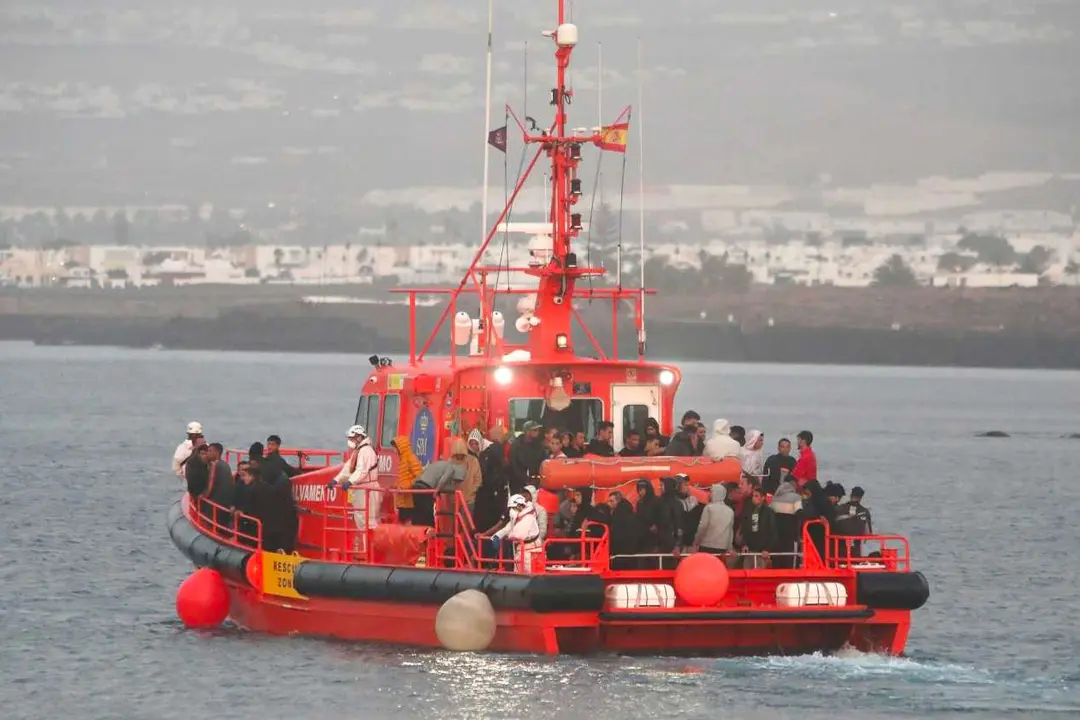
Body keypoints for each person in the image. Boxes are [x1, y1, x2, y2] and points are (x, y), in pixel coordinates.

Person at [328, 425, 381, 554]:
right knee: (361, 519)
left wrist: (351, 481)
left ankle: (371, 550)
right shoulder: (358, 451)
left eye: (352, 437)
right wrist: (337, 480)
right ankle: (366, 549)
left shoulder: (366, 451)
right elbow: (348, 468)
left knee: (369, 520)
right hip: (361, 488)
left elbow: (361, 471)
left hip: (368, 488)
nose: (350, 440)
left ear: (359, 437)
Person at [491, 494, 542, 573]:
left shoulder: (528, 517)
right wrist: (497, 536)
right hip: (522, 549)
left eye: (513, 508)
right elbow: (508, 528)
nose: (511, 510)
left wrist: (508, 537)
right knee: (518, 572)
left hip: (531, 550)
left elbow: (519, 535)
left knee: (530, 573)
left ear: (519, 506)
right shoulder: (518, 517)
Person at [739, 485, 778, 569]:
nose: (754, 498)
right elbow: (745, 529)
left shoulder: (768, 512)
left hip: (762, 551)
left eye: (756, 496)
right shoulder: (748, 510)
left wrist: (767, 549)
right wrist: (744, 544)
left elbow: (772, 531)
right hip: (749, 549)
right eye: (753, 496)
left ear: (763, 497)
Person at [693, 484, 735, 555]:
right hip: (723, 548)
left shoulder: (709, 508)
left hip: (706, 545)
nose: (709, 494)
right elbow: (730, 531)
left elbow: (702, 527)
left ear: (716, 493)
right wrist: (729, 547)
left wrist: (696, 542)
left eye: (711, 492)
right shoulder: (730, 511)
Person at [391, 436, 423, 523]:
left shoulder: (411, 458)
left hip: (409, 499)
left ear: (401, 447)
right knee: (403, 522)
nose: (394, 450)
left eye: (395, 447)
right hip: (403, 499)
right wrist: (395, 485)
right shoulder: (402, 459)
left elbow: (419, 476)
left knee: (408, 522)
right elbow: (404, 477)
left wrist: (406, 486)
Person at [835, 486, 873, 557]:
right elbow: (868, 534)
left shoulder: (838, 509)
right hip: (856, 553)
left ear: (850, 495)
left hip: (839, 552)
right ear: (861, 498)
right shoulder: (865, 512)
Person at [509, 421, 545, 491]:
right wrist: (526, 480)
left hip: (536, 482)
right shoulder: (517, 446)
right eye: (535, 430)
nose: (537, 432)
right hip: (519, 483)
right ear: (527, 431)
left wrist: (537, 479)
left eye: (538, 430)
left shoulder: (538, 445)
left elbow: (542, 462)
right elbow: (514, 465)